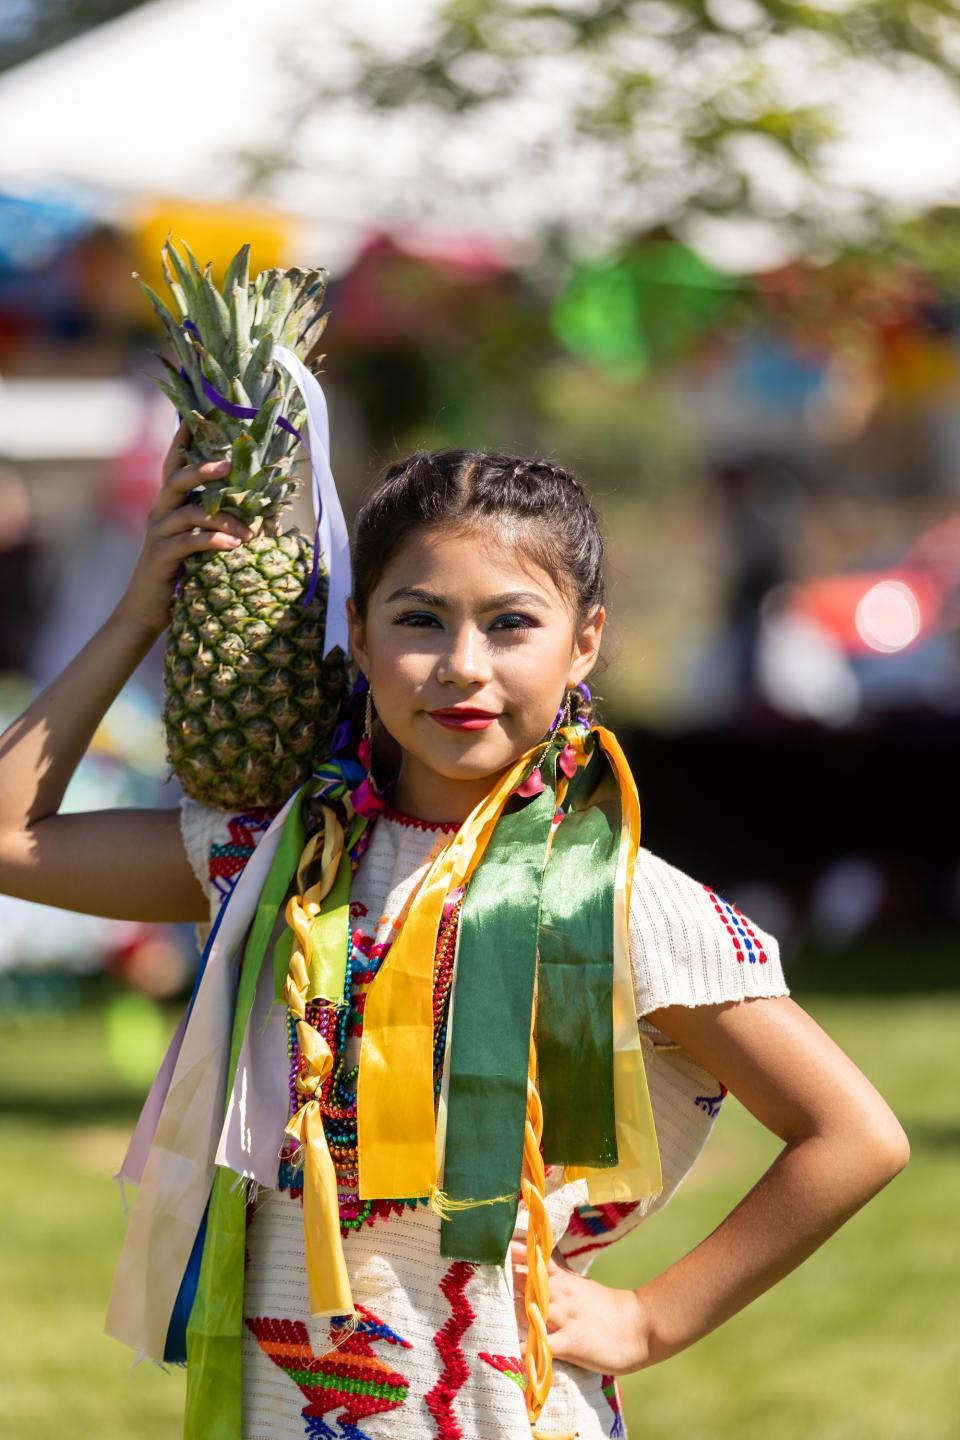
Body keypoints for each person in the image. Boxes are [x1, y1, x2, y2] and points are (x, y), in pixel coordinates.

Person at [0, 433, 910, 1440]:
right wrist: (140, 612)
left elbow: (854, 1137)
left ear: (587, 641)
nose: (462, 666)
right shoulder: (277, 857)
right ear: (356, 630)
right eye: (419, 620)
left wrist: (651, 1320)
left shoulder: (620, 897)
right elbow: (12, 837)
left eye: (512, 623)